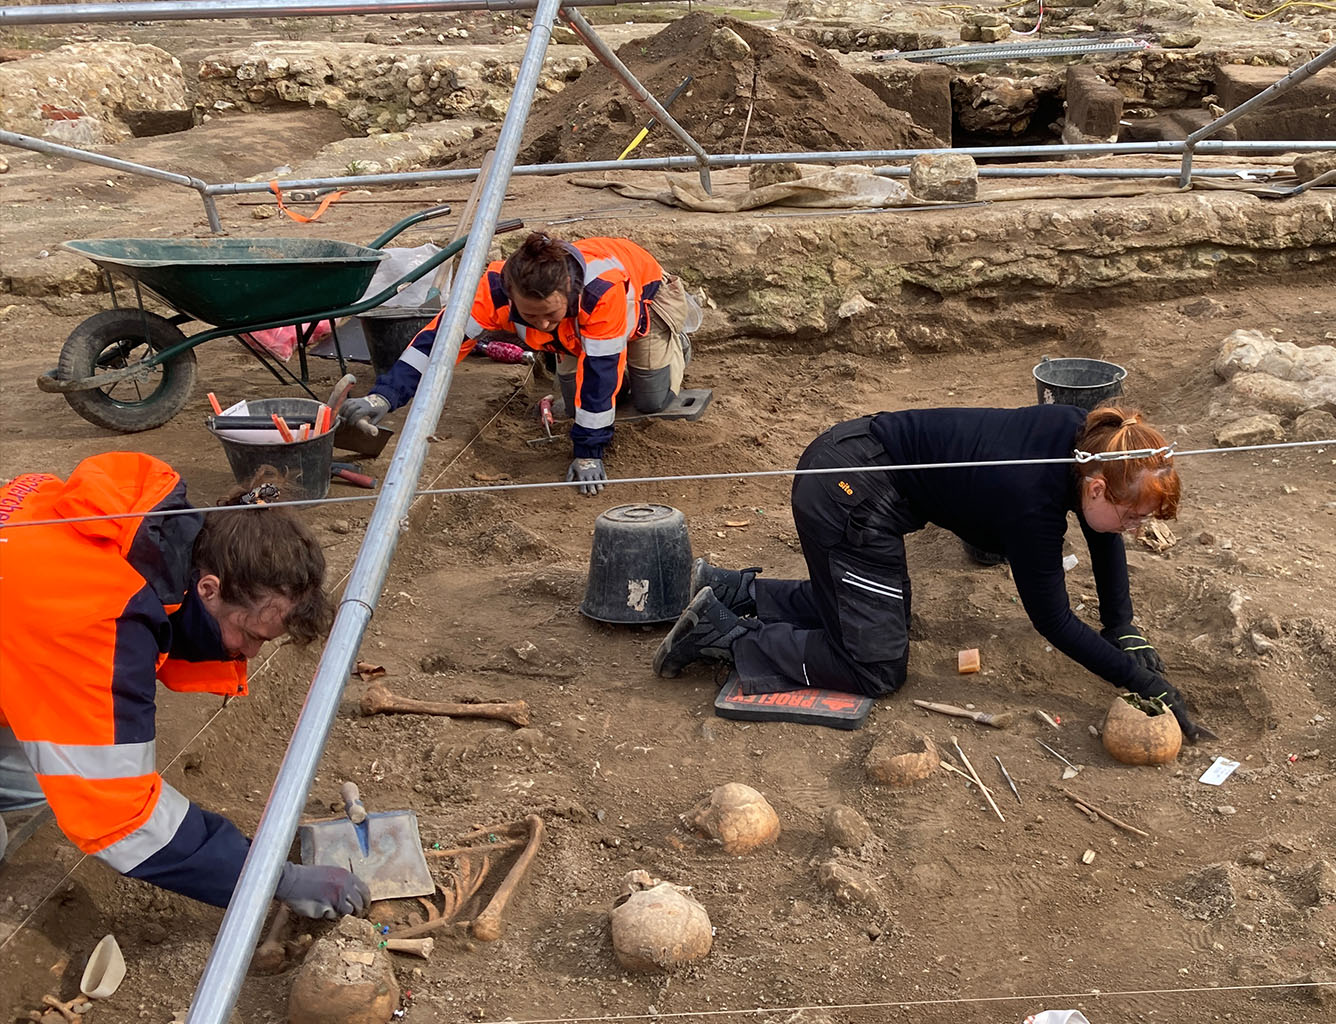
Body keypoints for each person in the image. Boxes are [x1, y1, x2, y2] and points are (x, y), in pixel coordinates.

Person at [651, 405, 1214, 740]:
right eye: (1135, 517)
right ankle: (724, 636)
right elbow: (1055, 621)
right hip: (849, 493)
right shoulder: (1031, 502)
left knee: (874, 613)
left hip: (853, 461)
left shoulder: (1088, 440)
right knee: (875, 666)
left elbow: (1102, 526)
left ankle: (733, 589)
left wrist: (1123, 625)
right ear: (1097, 486)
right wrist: (1144, 683)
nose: (1135, 531)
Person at [0, 454, 368, 919]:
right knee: (71, 780)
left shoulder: (130, 531)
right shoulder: (96, 622)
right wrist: (275, 877)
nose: (250, 655)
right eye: (251, 635)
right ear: (209, 589)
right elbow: (122, 818)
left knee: (47, 772)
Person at [340, 232, 697, 496]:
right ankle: (589, 350)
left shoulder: (599, 292)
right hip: (574, 331)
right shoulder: (493, 289)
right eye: (530, 315)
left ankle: (674, 342)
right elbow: (436, 346)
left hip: (645, 304)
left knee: (651, 400)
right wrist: (382, 397)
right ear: (511, 296)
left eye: (549, 313)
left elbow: (602, 373)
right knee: (579, 407)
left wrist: (589, 452)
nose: (541, 323)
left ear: (569, 291)